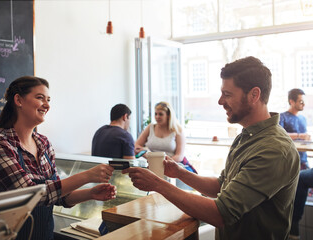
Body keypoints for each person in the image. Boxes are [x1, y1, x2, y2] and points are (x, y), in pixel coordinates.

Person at [123, 56, 300, 240]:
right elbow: (221, 185)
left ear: (254, 95)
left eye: (227, 94)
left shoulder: (274, 149)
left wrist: (158, 184)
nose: (220, 101)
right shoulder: (246, 136)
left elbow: (221, 213)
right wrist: (180, 173)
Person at [0, 76, 116, 240]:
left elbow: (58, 196)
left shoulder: (43, 143)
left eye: (48, 100)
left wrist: (90, 193)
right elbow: (28, 195)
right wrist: (86, 176)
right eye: (40, 98)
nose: (47, 105)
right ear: (18, 100)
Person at [135, 101, 195, 172]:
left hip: (171, 166)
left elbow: (179, 156)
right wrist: (147, 155)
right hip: (152, 165)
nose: (157, 117)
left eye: (160, 114)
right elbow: (137, 146)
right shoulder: (150, 127)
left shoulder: (177, 130)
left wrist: (162, 162)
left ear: (168, 115)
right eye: (155, 114)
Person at [280, 88, 311, 169]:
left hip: (304, 162)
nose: (303, 104)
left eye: (304, 101)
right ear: (291, 102)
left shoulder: (303, 119)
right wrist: (300, 135)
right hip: (289, 163)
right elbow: (280, 136)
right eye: (301, 101)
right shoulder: (282, 117)